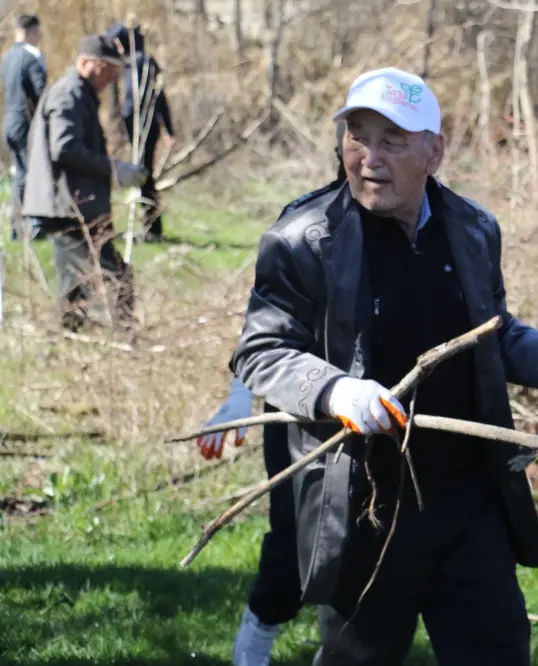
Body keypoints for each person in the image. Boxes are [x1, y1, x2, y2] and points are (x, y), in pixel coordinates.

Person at [228, 67, 538, 666]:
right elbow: (261, 352)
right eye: (358, 136)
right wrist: (339, 392)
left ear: (435, 151)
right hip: (367, 499)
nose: (369, 157)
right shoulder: (304, 239)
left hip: (466, 496)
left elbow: (493, 334)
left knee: (496, 650)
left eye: (393, 140)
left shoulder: (472, 229)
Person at [197, 126, 350, 666]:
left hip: (382, 418)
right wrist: (240, 398)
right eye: (359, 142)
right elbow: (265, 333)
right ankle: (252, 646)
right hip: (299, 419)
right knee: (295, 542)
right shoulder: (303, 227)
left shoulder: (424, 230)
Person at [21, 34, 148, 332]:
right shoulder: (69, 94)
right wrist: (113, 169)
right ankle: (121, 335)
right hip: (67, 205)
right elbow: (63, 147)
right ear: (89, 63)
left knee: (78, 278)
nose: (112, 79)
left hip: (74, 203)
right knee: (109, 273)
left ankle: (72, 335)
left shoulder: (78, 93)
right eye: (109, 70)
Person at [105, 21, 175, 242]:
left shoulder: (141, 63)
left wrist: (168, 129)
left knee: (144, 176)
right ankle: (150, 226)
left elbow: (156, 97)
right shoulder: (132, 63)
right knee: (144, 176)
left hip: (144, 126)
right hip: (138, 126)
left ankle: (153, 228)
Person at [2, 13, 46, 240]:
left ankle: (16, 227)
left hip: (9, 122)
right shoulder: (33, 56)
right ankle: (34, 225)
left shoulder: (7, 57)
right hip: (26, 123)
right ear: (32, 32)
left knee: (20, 174)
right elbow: (41, 92)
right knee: (32, 172)